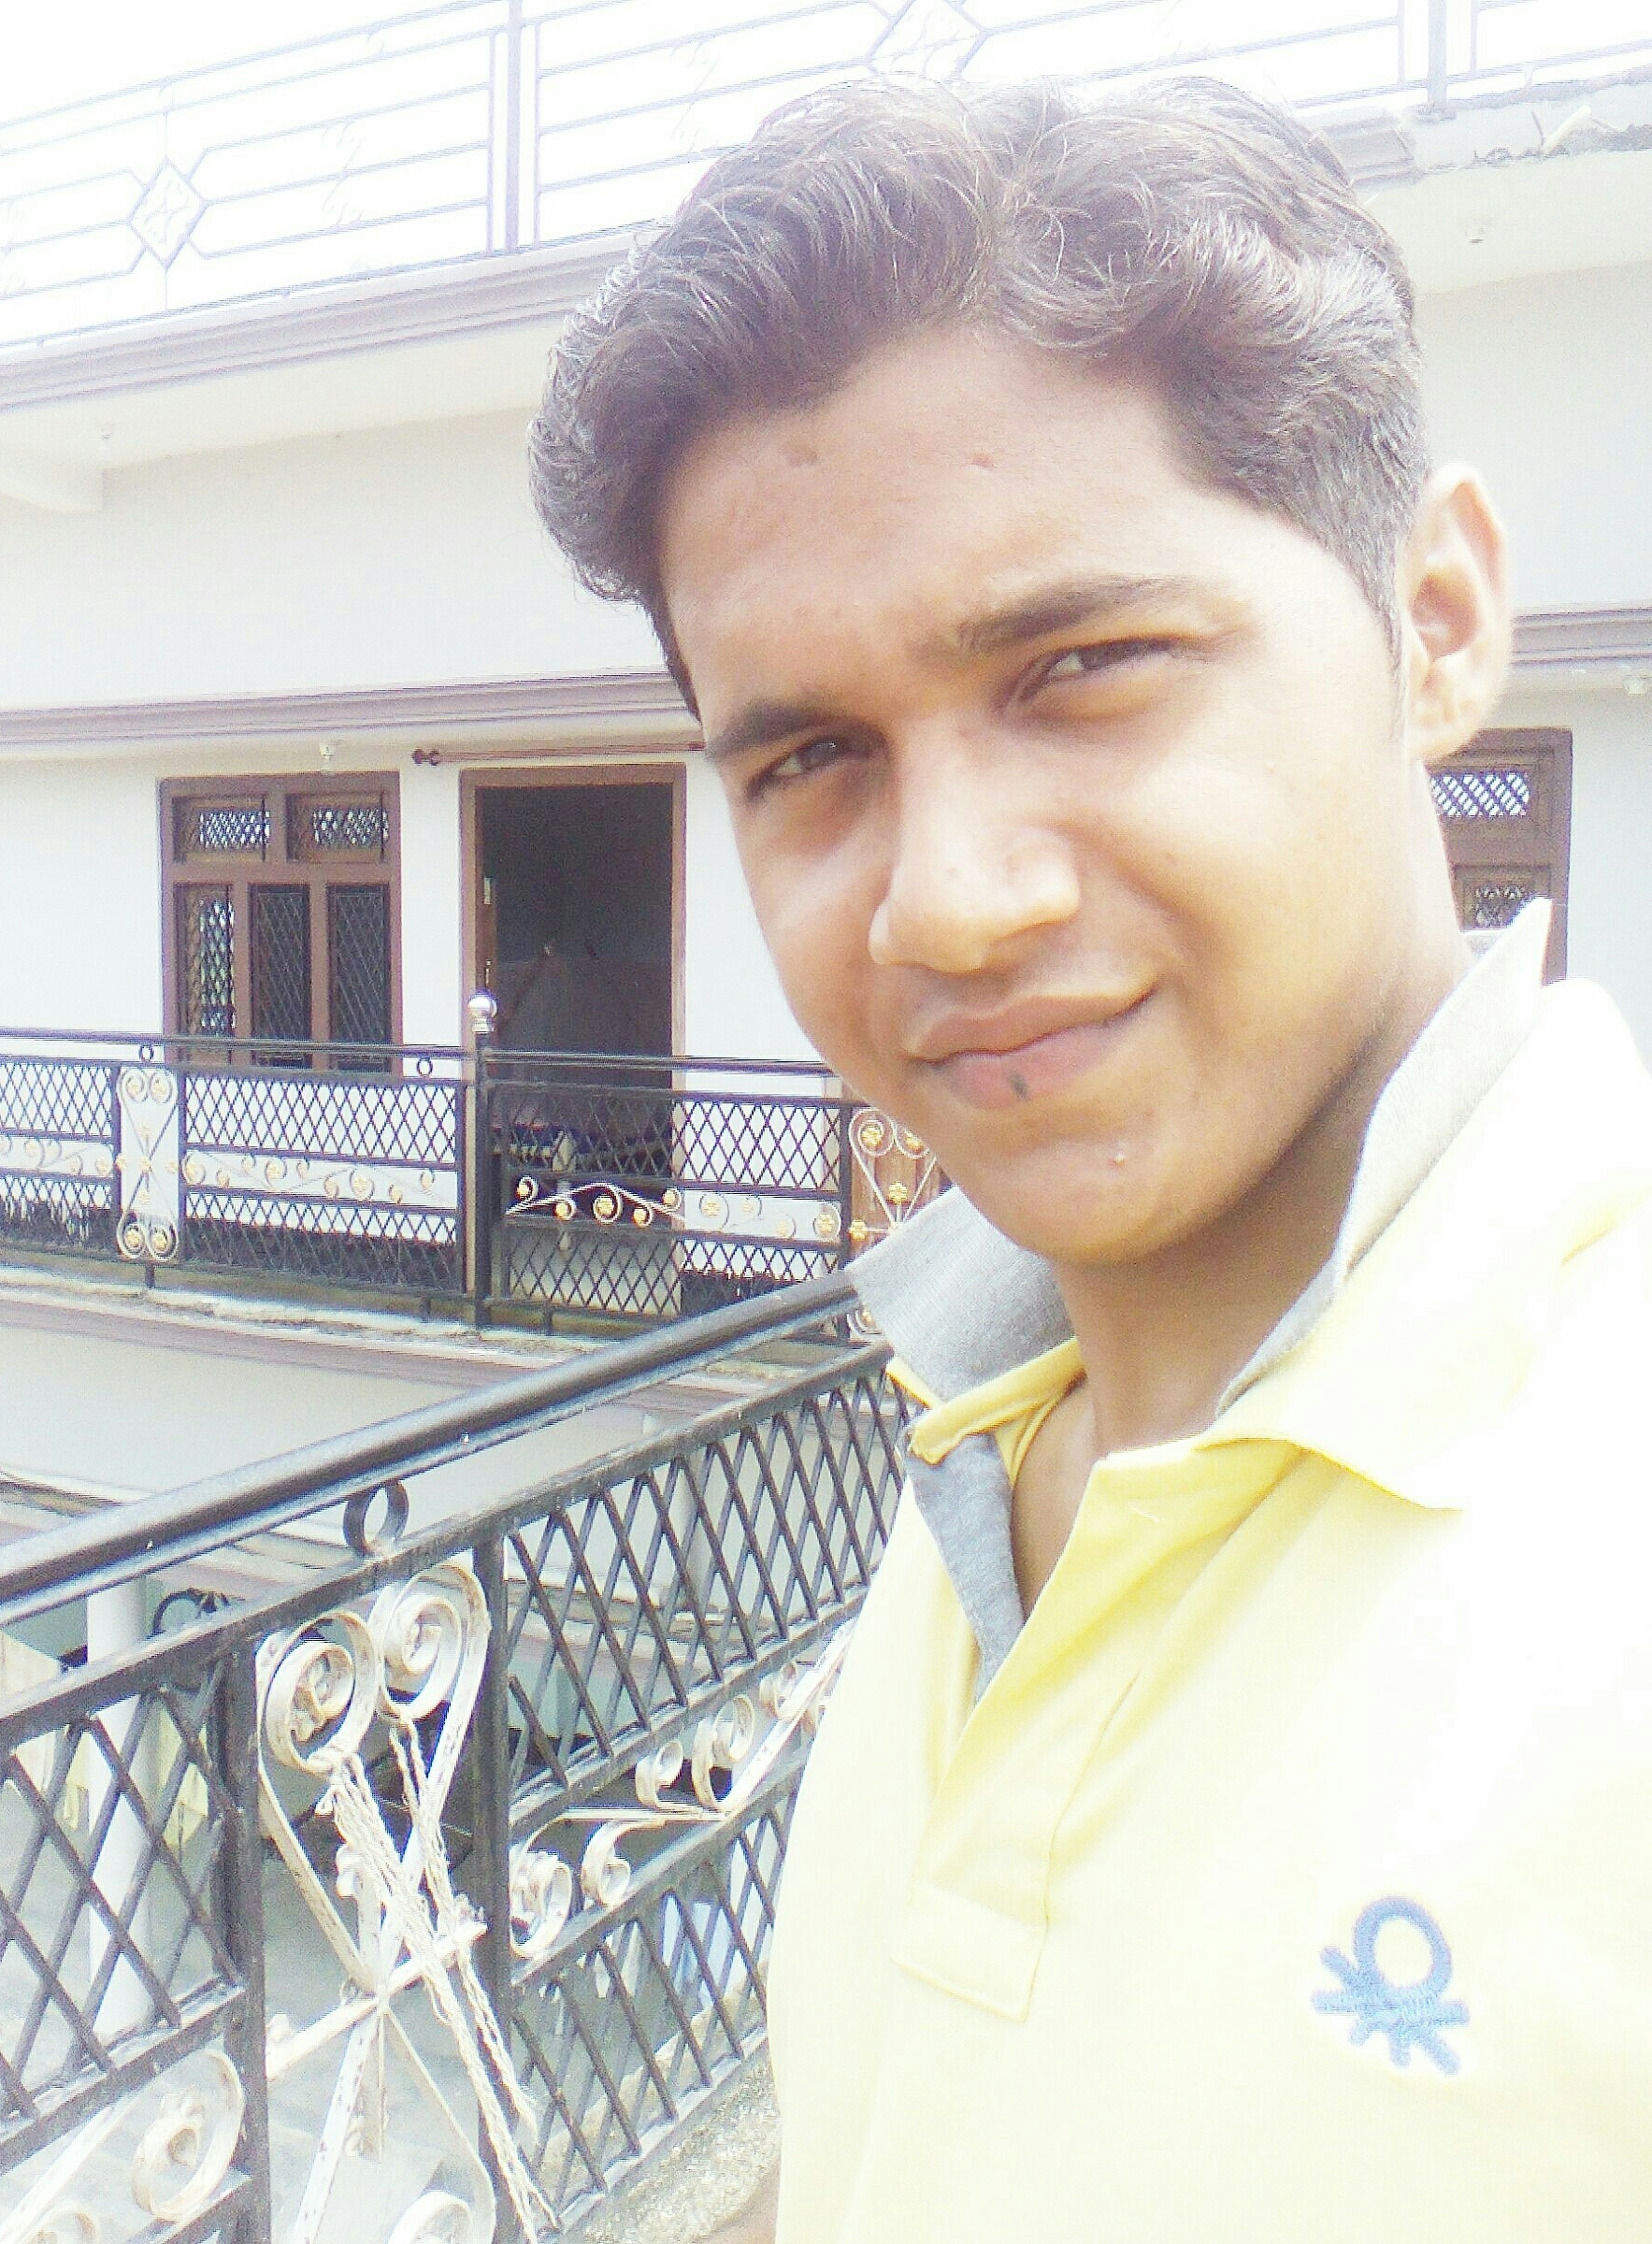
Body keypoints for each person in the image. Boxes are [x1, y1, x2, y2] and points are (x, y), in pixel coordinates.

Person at [529, 72, 1652, 2243]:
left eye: (1085, 668)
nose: (948, 904)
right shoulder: (992, 1437)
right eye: (811, 761)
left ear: (1435, 621)